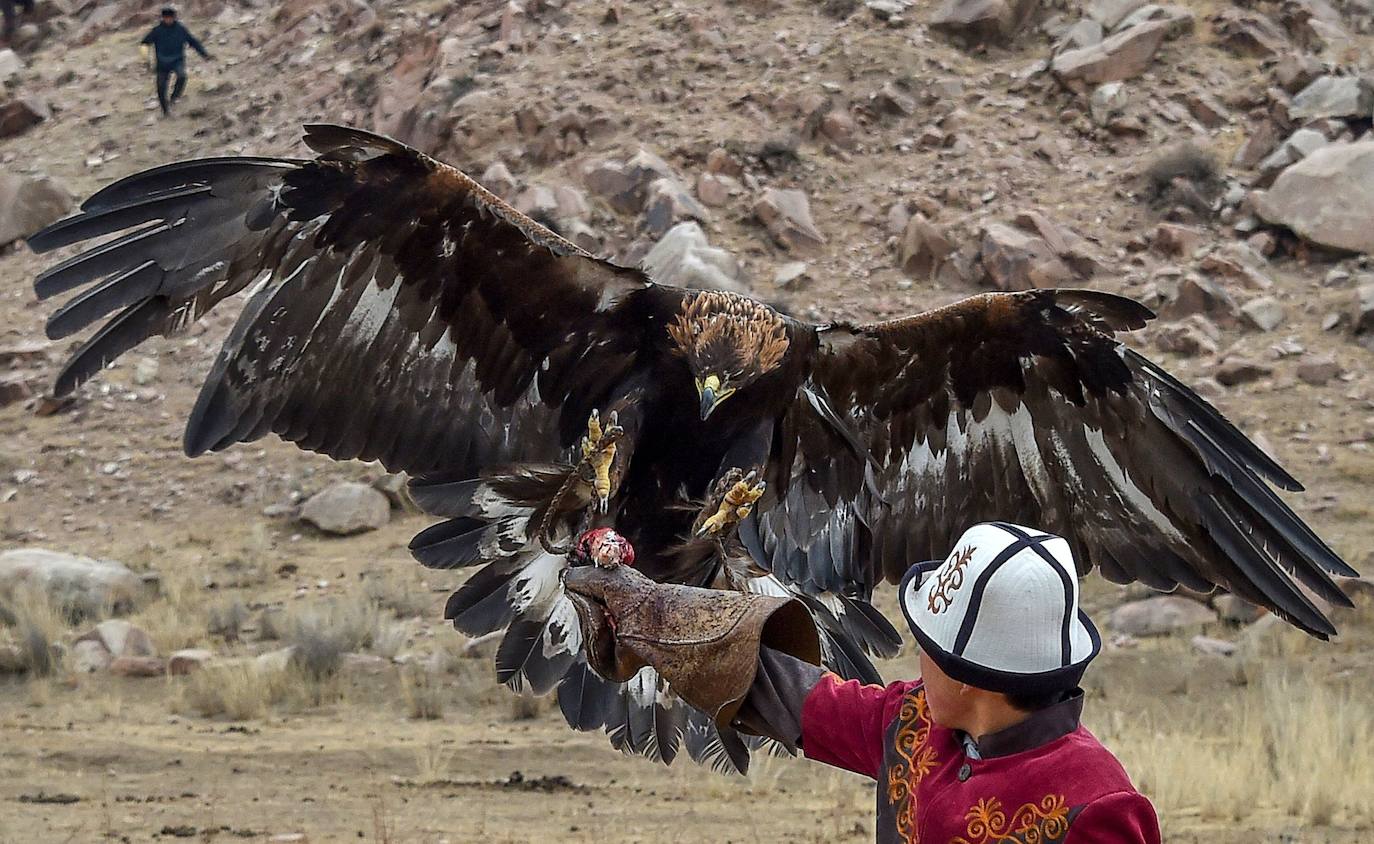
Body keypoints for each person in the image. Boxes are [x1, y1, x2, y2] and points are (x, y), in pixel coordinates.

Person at [565, 522, 1161, 843]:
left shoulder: (1097, 809)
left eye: (929, 647)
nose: (916, 660)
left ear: (974, 677)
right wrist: (650, 613)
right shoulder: (913, 723)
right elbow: (792, 693)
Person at [139, 7, 210, 117]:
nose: (168, 20)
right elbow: (144, 43)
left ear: (174, 17)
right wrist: (145, 59)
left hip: (177, 60)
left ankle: (174, 98)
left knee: (182, 76)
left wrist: (205, 55)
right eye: (166, 18)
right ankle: (165, 111)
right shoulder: (157, 31)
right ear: (162, 18)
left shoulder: (180, 29)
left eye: (170, 18)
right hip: (162, 63)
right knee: (161, 87)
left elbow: (193, 42)